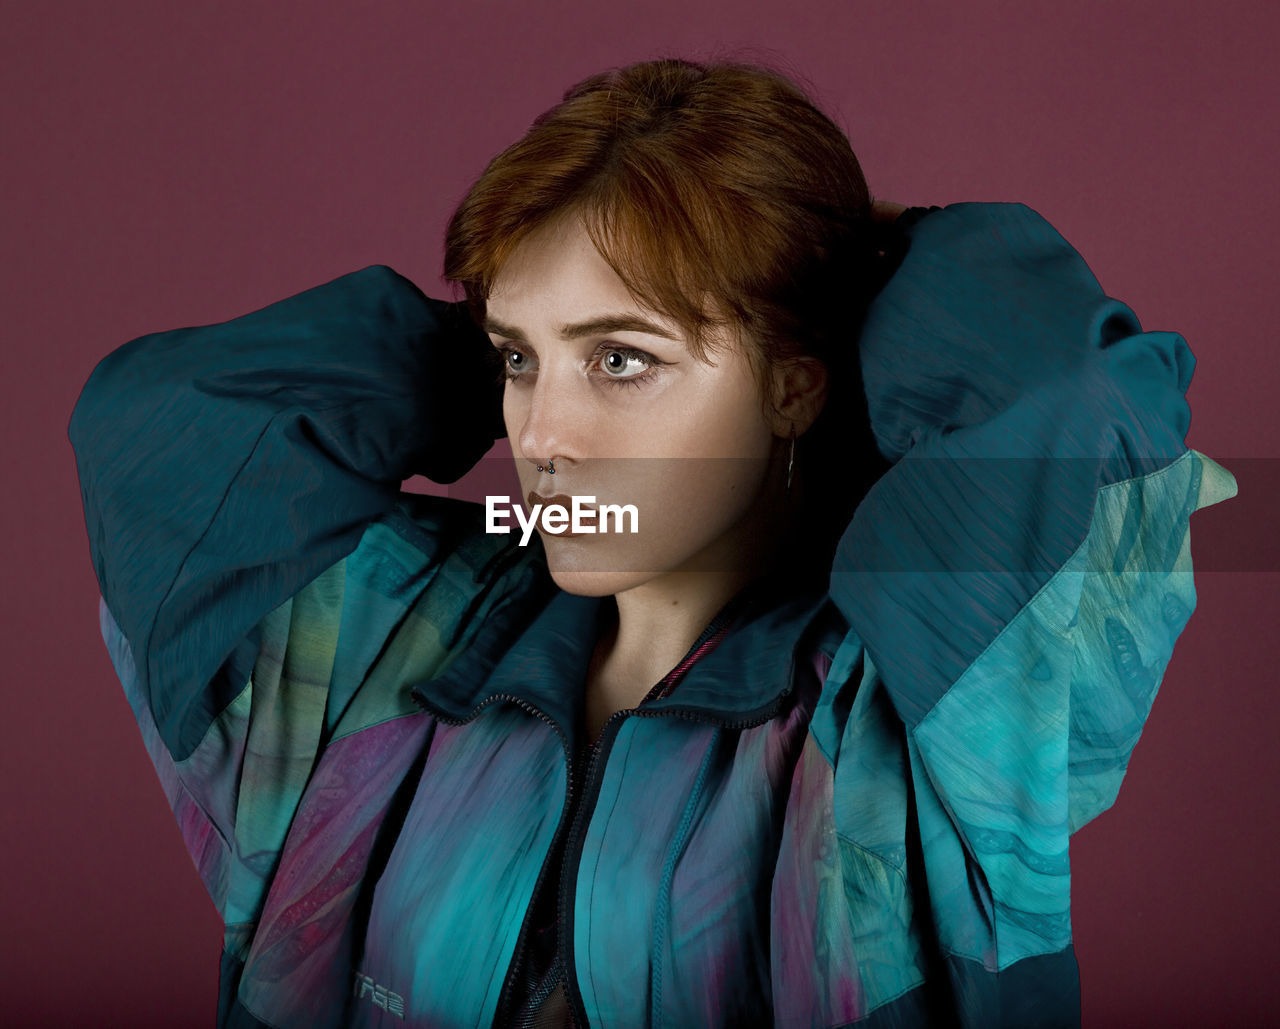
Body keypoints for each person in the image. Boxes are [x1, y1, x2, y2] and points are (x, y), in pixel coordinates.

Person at [68, 57, 1237, 1029]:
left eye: (622, 360)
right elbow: (165, 431)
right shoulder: (391, 639)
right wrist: (518, 339)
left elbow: (1066, 399)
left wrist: (863, 261)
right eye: (517, 359)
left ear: (793, 385)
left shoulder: (908, 705)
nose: (541, 436)